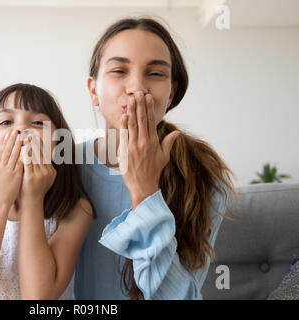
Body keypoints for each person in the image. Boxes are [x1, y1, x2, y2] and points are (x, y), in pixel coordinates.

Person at [74, 17, 236, 300]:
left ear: (171, 92)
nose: (137, 88)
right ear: (93, 90)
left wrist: (144, 191)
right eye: (119, 70)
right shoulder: (60, 168)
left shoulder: (202, 175)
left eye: (156, 74)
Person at [0, 83, 94, 300]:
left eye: (37, 123)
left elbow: (39, 298)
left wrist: (32, 199)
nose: (22, 129)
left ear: (57, 145)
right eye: (6, 122)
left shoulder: (76, 211)